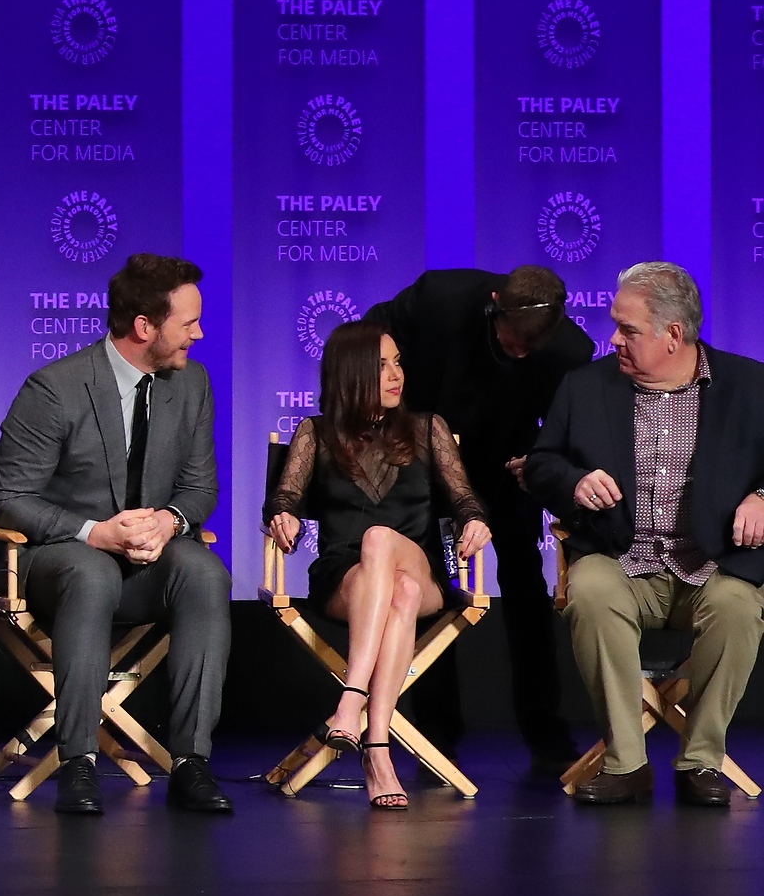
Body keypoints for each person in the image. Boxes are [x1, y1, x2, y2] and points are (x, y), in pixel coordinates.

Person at [0, 253, 235, 816]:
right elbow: (9, 500)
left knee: (202, 571)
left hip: (148, 560)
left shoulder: (191, 383)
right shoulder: (54, 389)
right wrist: (94, 532)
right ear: (144, 327)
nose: (200, 334)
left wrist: (169, 521)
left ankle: (191, 761)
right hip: (57, 564)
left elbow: (200, 489)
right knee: (92, 570)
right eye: (188, 323)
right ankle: (78, 761)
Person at [524, 261, 764, 809]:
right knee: (589, 589)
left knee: (738, 607)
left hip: (713, 566)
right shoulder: (585, 387)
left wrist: (763, 498)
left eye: (627, 330)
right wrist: (575, 480)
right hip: (622, 558)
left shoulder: (751, 387)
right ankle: (626, 763)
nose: (614, 340)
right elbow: (541, 464)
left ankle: (701, 760)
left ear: (673, 335)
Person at [370, 265, 596, 775]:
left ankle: (544, 724)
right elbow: (366, 342)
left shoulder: (570, 351)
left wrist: (537, 458)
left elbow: (567, 426)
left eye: (529, 348)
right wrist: (393, 425)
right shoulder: (439, 298)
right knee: (427, 584)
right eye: (512, 341)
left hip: (505, 466)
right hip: (423, 456)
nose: (519, 353)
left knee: (525, 586)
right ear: (495, 304)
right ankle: (436, 732)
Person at [264, 320, 495, 810]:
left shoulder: (428, 429)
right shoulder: (316, 433)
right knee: (398, 592)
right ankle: (378, 751)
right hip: (345, 579)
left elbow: (464, 499)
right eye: (381, 366)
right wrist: (282, 513)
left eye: (397, 363)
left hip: (423, 566)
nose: (396, 375)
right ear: (351, 374)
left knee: (383, 543)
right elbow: (284, 497)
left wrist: (475, 522)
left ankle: (350, 702)